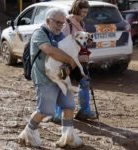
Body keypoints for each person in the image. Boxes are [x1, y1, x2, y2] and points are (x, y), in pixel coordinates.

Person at [17, 8, 83, 148]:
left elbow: (65, 56)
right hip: (44, 79)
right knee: (45, 111)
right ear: (48, 21)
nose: (60, 25)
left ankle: (68, 137)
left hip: (61, 78)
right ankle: (28, 132)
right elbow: (50, 51)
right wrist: (71, 60)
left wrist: (68, 68)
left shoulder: (60, 35)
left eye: (63, 23)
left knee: (69, 106)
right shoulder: (39, 34)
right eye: (57, 22)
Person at [53, 0, 97, 122]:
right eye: (83, 11)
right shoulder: (66, 23)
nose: (85, 14)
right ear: (76, 9)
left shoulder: (80, 23)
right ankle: (57, 114)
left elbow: (83, 42)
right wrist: (78, 58)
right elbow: (62, 46)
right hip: (64, 62)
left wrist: (88, 42)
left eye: (86, 12)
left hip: (79, 62)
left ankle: (84, 111)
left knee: (85, 82)